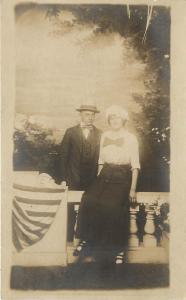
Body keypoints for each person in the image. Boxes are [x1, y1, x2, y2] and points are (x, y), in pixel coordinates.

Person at [73, 105, 140, 264]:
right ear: (109, 121)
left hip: (122, 176)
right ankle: (86, 240)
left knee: (112, 207)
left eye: (118, 118)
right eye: (112, 118)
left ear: (123, 120)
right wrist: (97, 182)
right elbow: (101, 162)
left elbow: (135, 166)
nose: (115, 121)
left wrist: (132, 189)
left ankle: (118, 250)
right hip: (104, 175)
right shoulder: (105, 136)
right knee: (88, 199)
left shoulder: (130, 138)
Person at [59, 103, 101, 240]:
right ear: (80, 115)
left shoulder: (100, 134)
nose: (90, 118)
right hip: (73, 176)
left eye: (92, 115)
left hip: (92, 179)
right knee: (70, 208)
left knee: (89, 208)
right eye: (87, 114)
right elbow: (63, 156)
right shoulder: (71, 132)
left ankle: (86, 239)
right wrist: (62, 178)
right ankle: (68, 238)